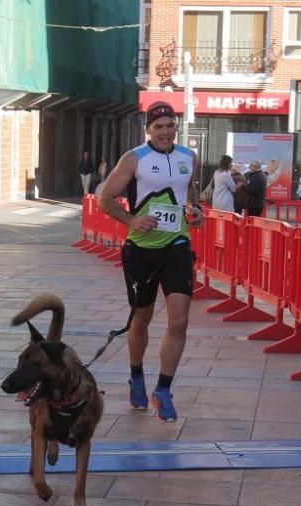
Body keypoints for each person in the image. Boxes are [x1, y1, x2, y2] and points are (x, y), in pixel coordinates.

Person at [97, 101, 204, 422]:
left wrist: (196, 212)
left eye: (170, 126)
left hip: (177, 246)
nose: (165, 132)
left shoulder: (189, 157)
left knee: (179, 320)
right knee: (140, 319)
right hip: (141, 250)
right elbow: (104, 199)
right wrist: (131, 221)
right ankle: (137, 376)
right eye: (159, 127)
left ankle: (163, 389)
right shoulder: (134, 159)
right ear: (149, 131)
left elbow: (189, 192)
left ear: (176, 127)